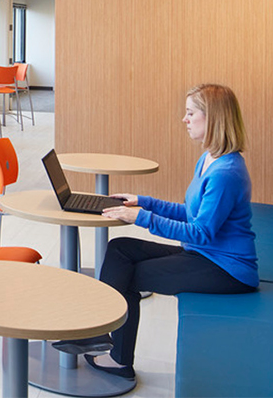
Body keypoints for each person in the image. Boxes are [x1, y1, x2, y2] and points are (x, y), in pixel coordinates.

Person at [65, 84, 259, 381]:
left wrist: (142, 218)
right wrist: (143, 202)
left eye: (191, 113)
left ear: (214, 119)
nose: (184, 119)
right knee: (120, 248)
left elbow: (201, 232)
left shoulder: (225, 173)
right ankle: (100, 333)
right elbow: (190, 212)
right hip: (204, 254)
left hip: (227, 269)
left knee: (127, 277)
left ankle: (119, 359)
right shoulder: (209, 159)